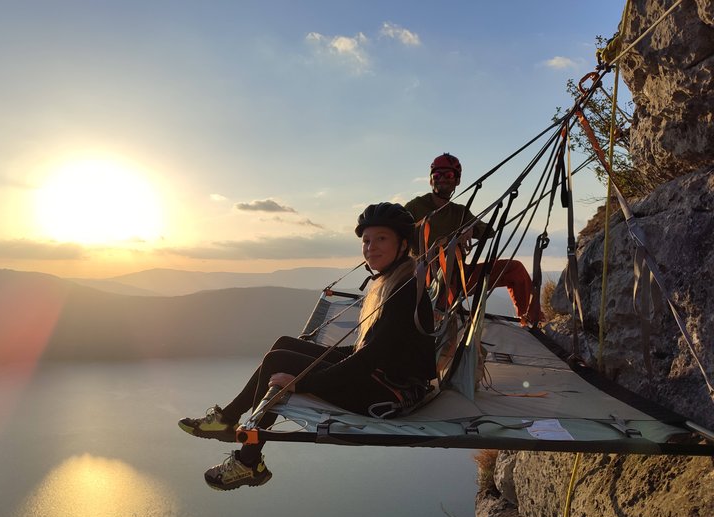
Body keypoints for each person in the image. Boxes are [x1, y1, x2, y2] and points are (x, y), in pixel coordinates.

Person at [178, 203, 436, 491]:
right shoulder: (396, 281)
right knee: (285, 345)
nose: (370, 247)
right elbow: (369, 350)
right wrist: (310, 362)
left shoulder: (401, 293)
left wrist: (301, 383)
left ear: (402, 244)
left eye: (381, 239)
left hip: (389, 397)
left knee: (279, 361)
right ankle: (229, 421)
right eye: (366, 240)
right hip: (383, 380)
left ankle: (248, 461)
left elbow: (366, 360)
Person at [405, 153, 543, 327]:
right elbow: (395, 226)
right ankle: (439, 315)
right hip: (426, 279)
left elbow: (490, 232)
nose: (443, 180)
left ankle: (529, 320)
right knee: (440, 314)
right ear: (431, 180)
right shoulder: (416, 206)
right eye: (437, 176)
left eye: (448, 176)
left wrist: (470, 227)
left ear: (457, 181)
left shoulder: (460, 212)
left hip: (460, 275)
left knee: (515, 270)